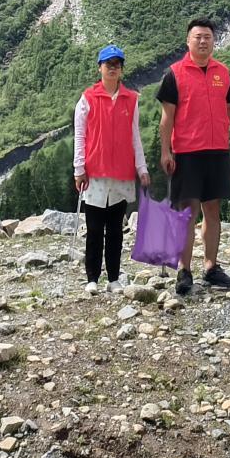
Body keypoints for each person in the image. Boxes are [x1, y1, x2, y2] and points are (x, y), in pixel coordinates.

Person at [158, 18, 230, 294]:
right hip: (187, 153)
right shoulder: (174, 74)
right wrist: (166, 150)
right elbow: (166, 119)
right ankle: (184, 270)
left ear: (214, 41)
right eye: (198, 37)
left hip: (217, 151)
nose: (203, 41)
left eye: (208, 37)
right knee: (188, 213)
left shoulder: (223, 73)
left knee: (213, 211)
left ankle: (211, 266)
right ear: (188, 41)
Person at [74, 44, 151, 294]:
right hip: (95, 172)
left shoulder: (131, 99)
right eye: (108, 64)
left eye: (117, 64)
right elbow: (80, 135)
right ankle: (92, 278)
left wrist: (142, 168)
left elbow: (134, 136)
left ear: (121, 69)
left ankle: (114, 277)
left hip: (121, 173)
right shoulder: (87, 98)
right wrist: (79, 168)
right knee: (95, 229)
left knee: (116, 229)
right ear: (100, 67)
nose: (113, 68)